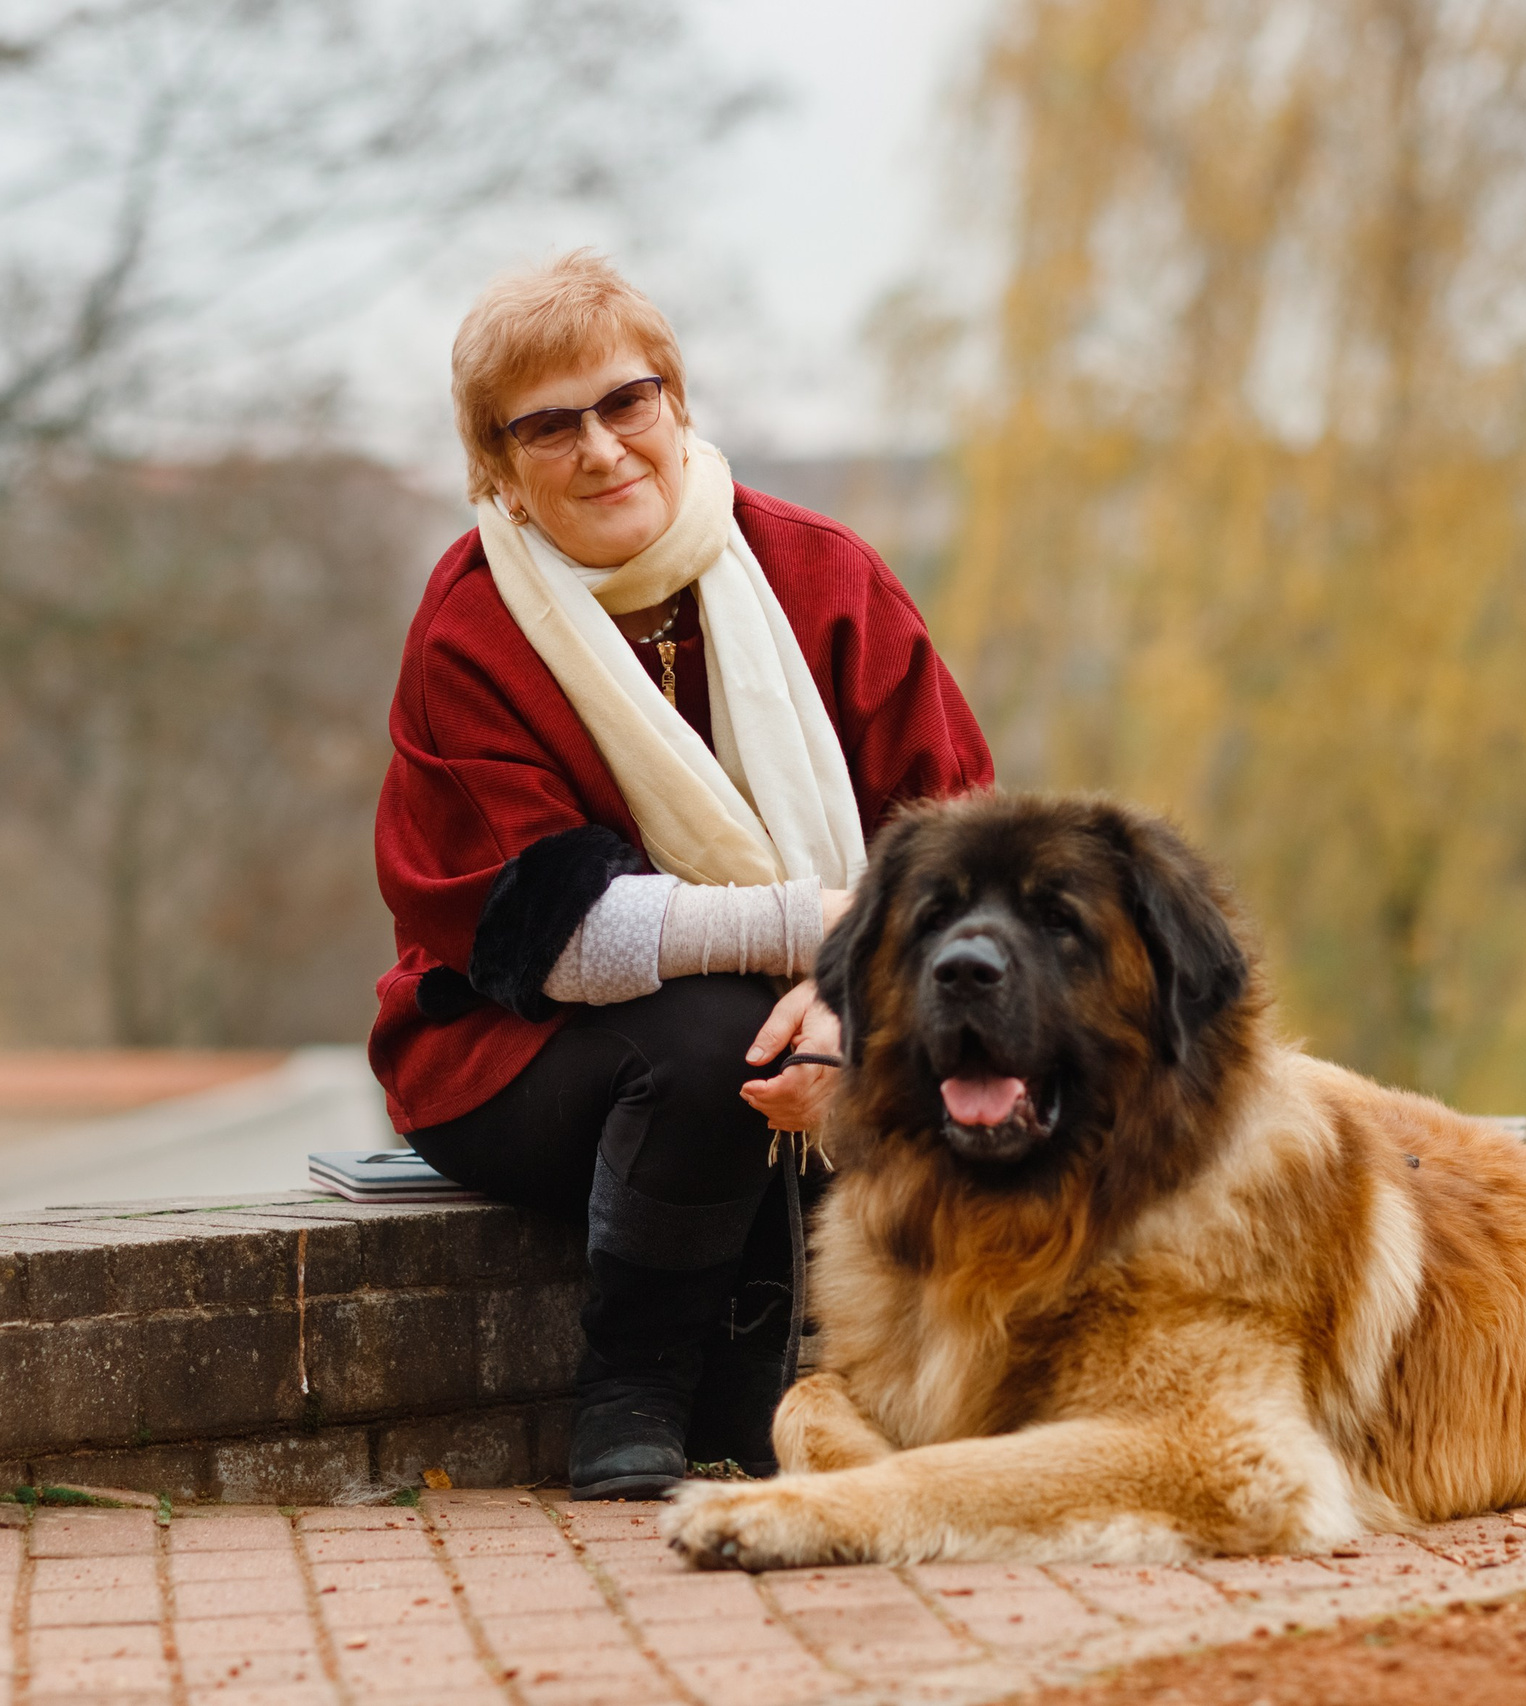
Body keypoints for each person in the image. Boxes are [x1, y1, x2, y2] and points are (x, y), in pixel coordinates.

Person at [370, 250, 992, 1499]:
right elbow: (569, 937)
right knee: (713, 1030)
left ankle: (842, 1385)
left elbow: (961, 861)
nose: (600, 449)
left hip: (823, 1013)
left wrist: (850, 992)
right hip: (514, 1055)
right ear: (496, 465)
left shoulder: (822, 576)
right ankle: (630, 1392)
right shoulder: (474, 627)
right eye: (548, 426)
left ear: (678, 403)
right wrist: (822, 925)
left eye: (625, 402)